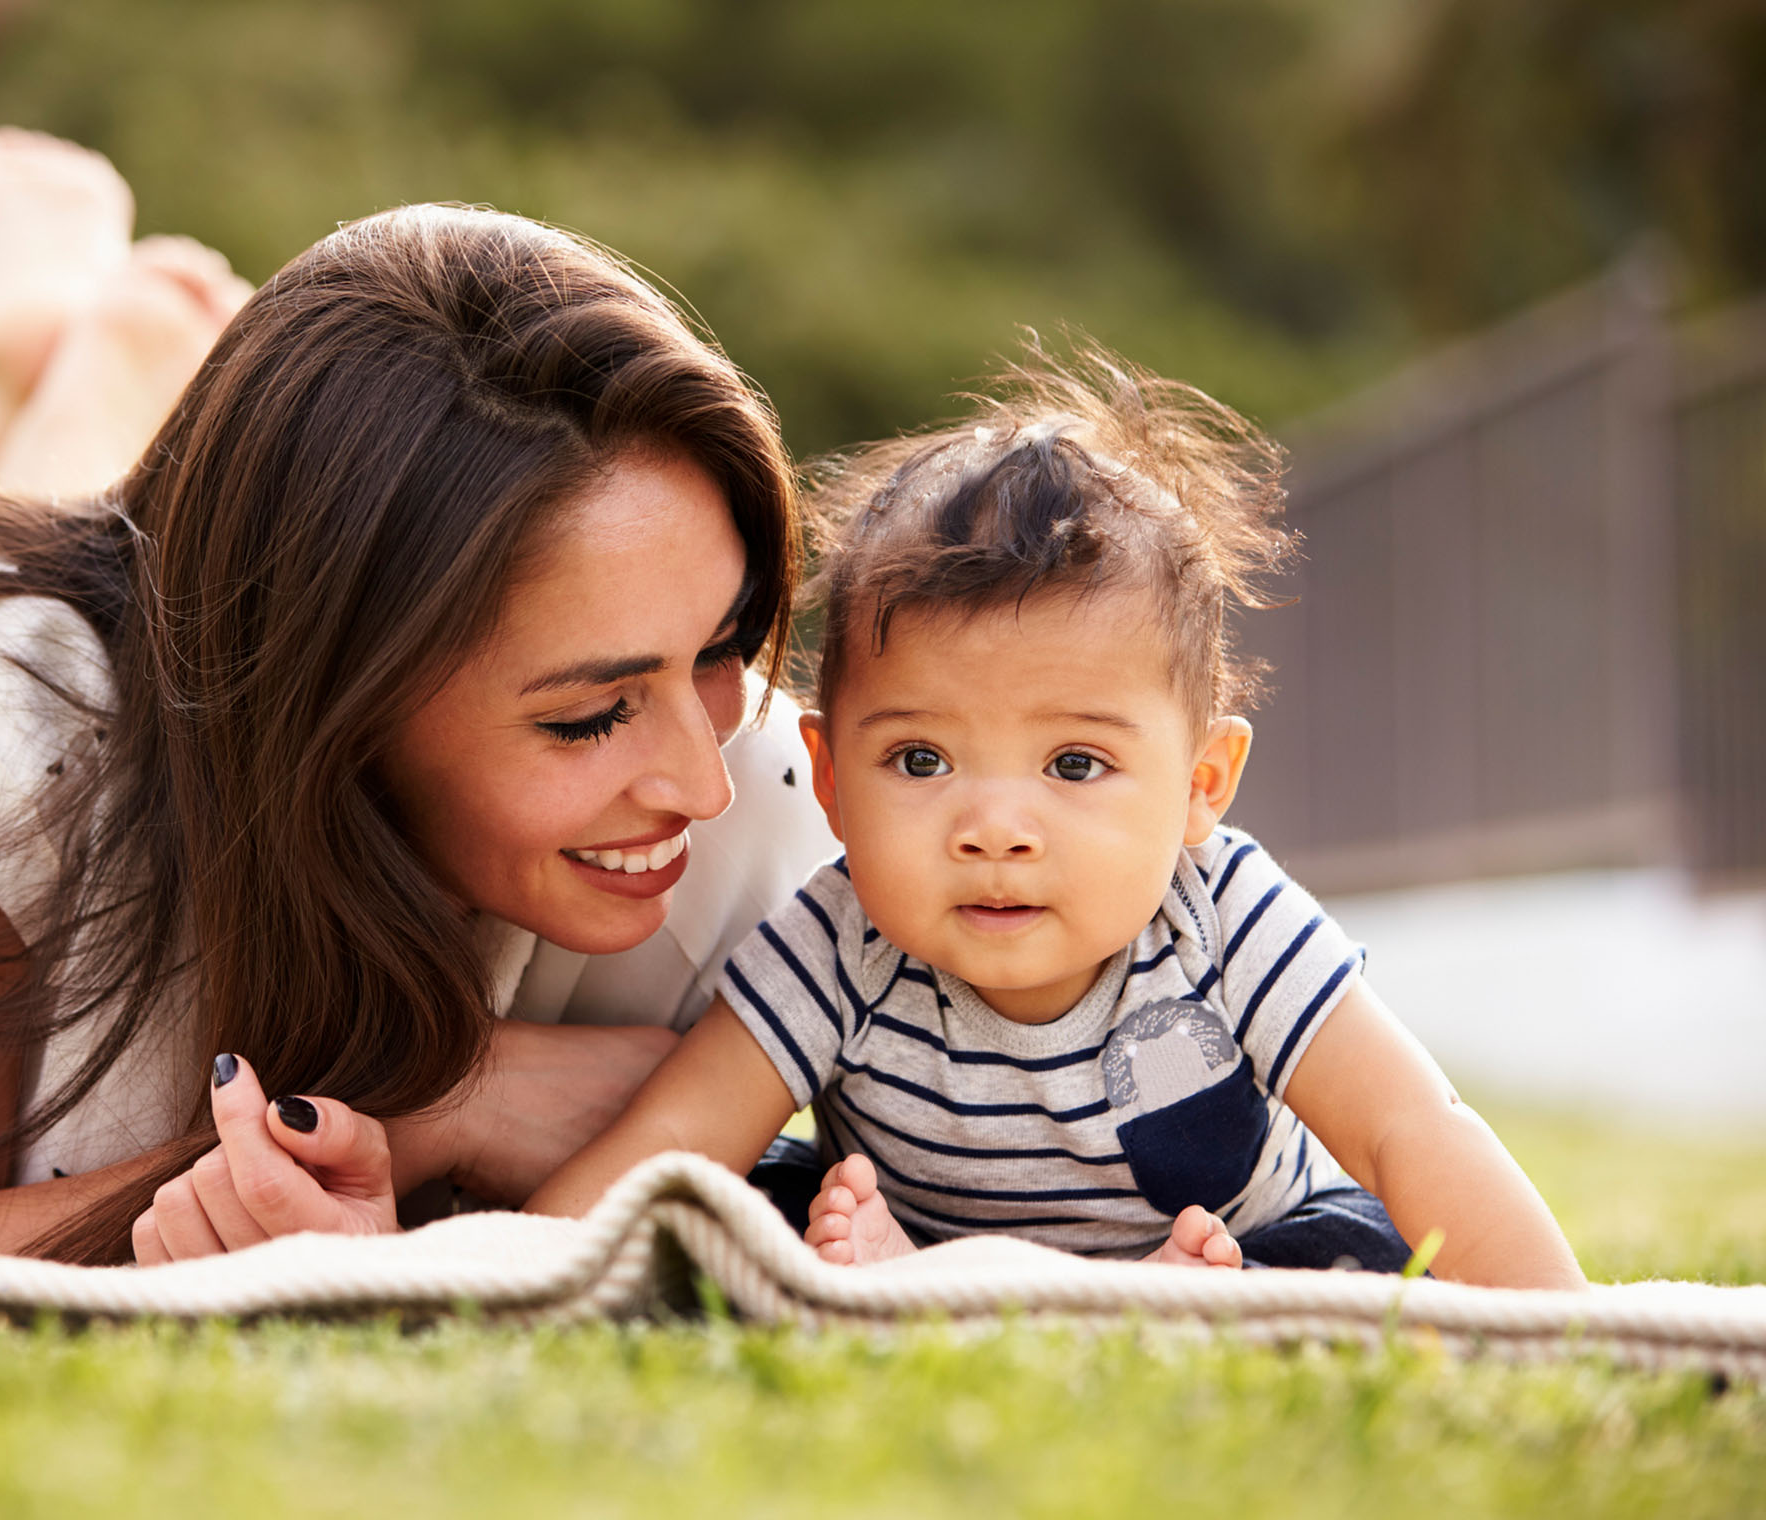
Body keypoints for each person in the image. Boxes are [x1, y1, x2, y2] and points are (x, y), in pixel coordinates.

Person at [0, 129, 838, 1263]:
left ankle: (75, 441)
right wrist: (436, 1106)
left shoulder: (774, 795)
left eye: (722, 646)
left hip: (89, 769)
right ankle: (72, 420)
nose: (702, 778)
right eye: (587, 714)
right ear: (341, 690)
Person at [523, 349, 1590, 1290]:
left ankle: (1161, 1301)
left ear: (1198, 787)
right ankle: (934, 1281)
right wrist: (509, 1269)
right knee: (736, 1198)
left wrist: (1570, 1328)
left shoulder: (1219, 915)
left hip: (1232, 1246)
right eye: (920, 759)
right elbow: (672, 1137)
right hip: (911, 1228)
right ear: (832, 778)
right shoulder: (839, 937)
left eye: (1073, 763)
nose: (993, 828)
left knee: (1358, 1249)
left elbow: (1412, 1127)